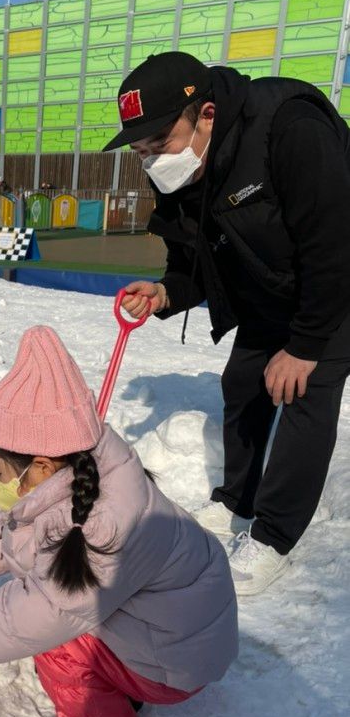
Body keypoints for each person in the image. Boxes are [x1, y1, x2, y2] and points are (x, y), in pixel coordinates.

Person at [0, 325, 238, 717]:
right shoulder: (87, 469)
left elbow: (39, 615)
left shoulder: (104, 526)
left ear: (41, 465)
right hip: (175, 634)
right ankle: (120, 683)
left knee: (59, 646)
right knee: (69, 623)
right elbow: (21, 527)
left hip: (176, 664)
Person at [105, 51, 350, 596]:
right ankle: (236, 502)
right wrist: (167, 292)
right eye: (140, 150)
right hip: (274, 287)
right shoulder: (181, 167)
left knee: (304, 390)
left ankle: (273, 537)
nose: (150, 160)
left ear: (207, 114)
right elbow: (195, 260)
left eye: (158, 143)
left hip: (339, 279)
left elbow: (333, 247)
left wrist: (306, 345)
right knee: (243, 382)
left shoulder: (290, 129)